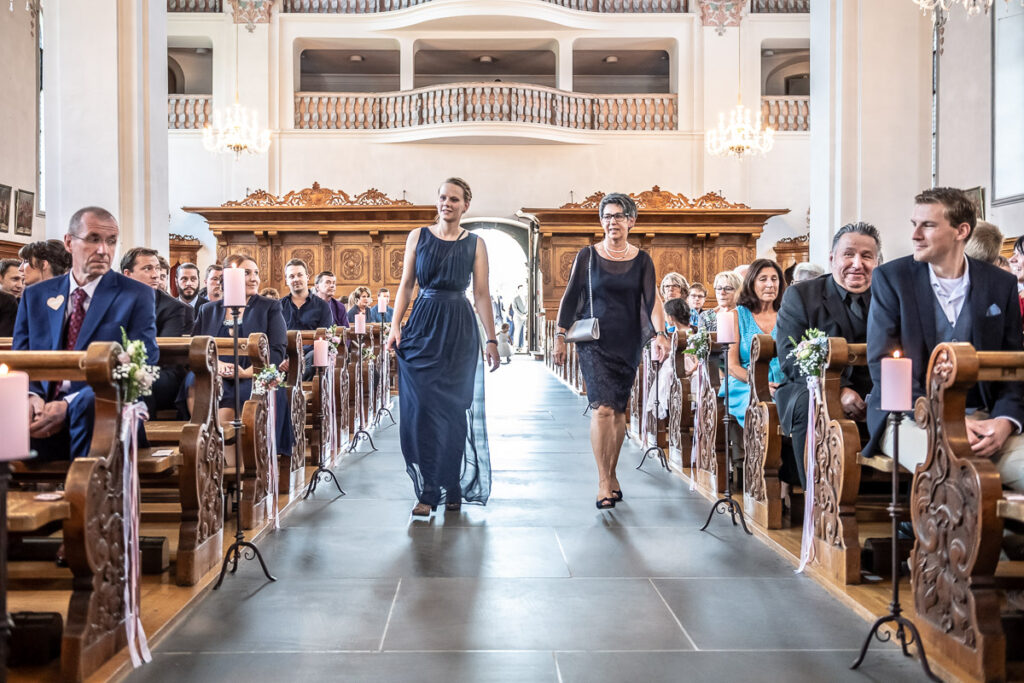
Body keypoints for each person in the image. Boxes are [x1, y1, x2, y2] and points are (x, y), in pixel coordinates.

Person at [865, 187, 1024, 490]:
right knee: (957, 470)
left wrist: (1005, 422)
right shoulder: (893, 279)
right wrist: (942, 418)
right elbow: (885, 367)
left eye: (928, 225)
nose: (915, 234)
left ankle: (1007, 536)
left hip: (984, 416)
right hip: (909, 415)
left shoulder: (999, 284)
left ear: (961, 230)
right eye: (914, 224)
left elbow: (1012, 366)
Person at [387, 177, 500, 517]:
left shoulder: (476, 244)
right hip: (421, 325)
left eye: (454, 199)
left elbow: (481, 294)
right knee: (422, 411)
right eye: (442, 197)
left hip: (458, 330)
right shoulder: (417, 236)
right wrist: (395, 325)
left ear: (466, 205)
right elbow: (407, 284)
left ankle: (451, 483)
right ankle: (428, 488)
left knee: (453, 410)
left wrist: (492, 339)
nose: (446, 203)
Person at [553, 192, 669, 510]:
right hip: (595, 341)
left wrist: (660, 333)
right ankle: (603, 480)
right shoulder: (587, 256)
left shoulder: (642, 260)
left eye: (618, 216)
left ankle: (612, 472)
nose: (612, 222)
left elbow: (652, 299)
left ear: (631, 221)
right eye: (606, 216)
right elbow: (571, 295)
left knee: (618, 413)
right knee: (602, 409)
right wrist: (560, 336)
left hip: (628, 341)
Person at [13, 206, 158, 461]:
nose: (104, 250)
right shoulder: (36, 296)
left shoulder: (135, 295)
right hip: (41, 412)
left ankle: (85, 497)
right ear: (69, 242)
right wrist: (30, 395)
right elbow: (21, 358)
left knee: (89, 407)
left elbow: (142, 364)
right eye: (93, 239)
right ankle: (15, 498)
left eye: (111, 242)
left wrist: (69, 405)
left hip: (103, 412)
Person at [775, 223, 880, 488]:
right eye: (849, 254)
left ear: (877, 261)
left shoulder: (888, 295)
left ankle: (899, 497)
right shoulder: (801, 295)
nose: (857, 264)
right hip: (809, 386)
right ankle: (817, 492)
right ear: (832, 258)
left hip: (876, 387)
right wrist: (838, 389)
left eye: (867, 256)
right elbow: (790, 357)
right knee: (807, 405)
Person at [189, 255, 292, 464]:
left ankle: (243, 467)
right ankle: (213, 460)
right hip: (215, 374)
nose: (254, 278)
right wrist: (216, 366)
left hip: (256, 375)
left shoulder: (269, 307)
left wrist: (248, 372)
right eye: (246, 273)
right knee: (194, 384)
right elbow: (196, 346)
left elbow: (277, 349)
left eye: (256, 273)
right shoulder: (208, 310)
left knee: (241, 395)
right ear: (227, 278)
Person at [724, 259, 785, 427]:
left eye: (774, 279)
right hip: (745, 382)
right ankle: (760, 453)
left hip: (782, 381)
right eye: (763, 279)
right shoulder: (736, 315)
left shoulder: (787, 313)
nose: (770, 284)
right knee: (761, 407)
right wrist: (760, 383)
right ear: (751, 283)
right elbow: (732, 365)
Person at [121, 247, 195, 338]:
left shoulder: (172, 308)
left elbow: (165, 349)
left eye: (157, 268)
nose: (156, 275)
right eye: (147, 269)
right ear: (127, 274)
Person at [281, 258, 333, 380]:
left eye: (300, 275)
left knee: (315, 356)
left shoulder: (322, 306)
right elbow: (275, 337)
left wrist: (299, 358)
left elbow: (324, 337)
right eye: (291, 276)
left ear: (307, 277)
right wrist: (282, 359)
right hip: (284, 358)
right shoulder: (278, 306)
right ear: (286, 280)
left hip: (310, 356)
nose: (296, 279)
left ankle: (302, 396)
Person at [512, 284, 528, 350]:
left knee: (525, 331)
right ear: (518, 290)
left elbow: (528, 307)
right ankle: (516, 346)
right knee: (517, 331)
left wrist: (526, 314)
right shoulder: (515, 298)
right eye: (521, 289)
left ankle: (524, 346)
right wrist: (521, 315)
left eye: (523, 289)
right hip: (518, 317)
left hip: (526, 316)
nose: (522, 290)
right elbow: (514, 309)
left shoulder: (527, 297)